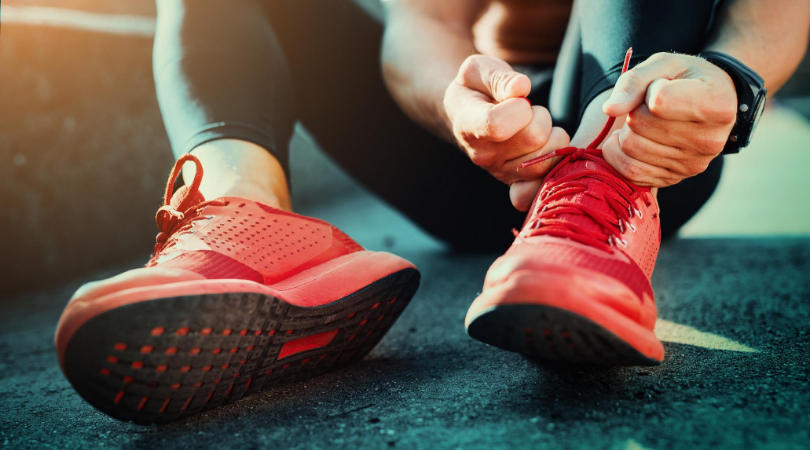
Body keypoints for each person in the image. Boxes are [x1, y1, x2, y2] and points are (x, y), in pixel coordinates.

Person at [54, 0, 809, 424]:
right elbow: (421, 29)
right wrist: (459, 103)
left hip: (654, 135)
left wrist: (729, 80)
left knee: (629, 120)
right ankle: (244, 218)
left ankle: (596, 206)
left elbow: (773, 15)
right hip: (480, 144)